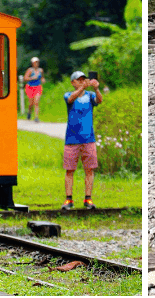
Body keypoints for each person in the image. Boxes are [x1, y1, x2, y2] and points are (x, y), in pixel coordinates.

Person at [61, 70, 102, 210]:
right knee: (69, 170)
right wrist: (81, 89)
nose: (82, 81)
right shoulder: (68, 94)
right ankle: (68, 199)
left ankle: (88, 198)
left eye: (83, 79)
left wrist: (96, 88)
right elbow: (70, 99)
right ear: (73, 82)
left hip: (88, 138)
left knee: (89, 169)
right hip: (72, 139)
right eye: (79, 79)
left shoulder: (90, 95)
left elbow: (99, 100)